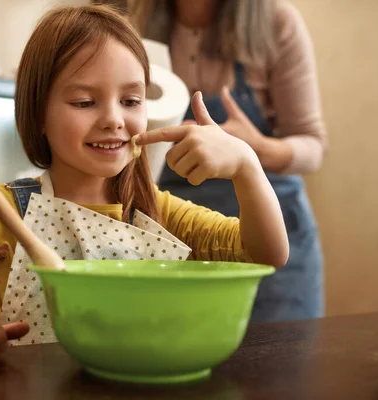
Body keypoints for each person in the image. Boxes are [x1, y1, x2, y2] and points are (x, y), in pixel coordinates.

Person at [0, 4, 288, 369]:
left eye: (131, 101)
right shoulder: (4, 211)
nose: (114, 119)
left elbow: (266, 254)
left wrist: (247, 167)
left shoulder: (159, 212)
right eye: (84, 102)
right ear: (39, 113)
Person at [127, 0, 327, 324]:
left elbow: (313, 144)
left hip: (273, 222)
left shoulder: (277, 22)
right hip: (177, 228)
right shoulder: (133, 20)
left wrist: (254, 150)